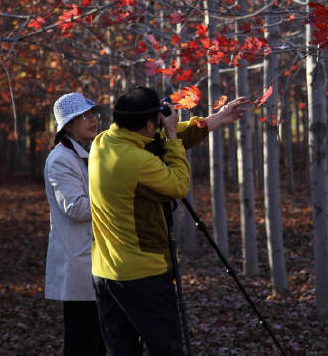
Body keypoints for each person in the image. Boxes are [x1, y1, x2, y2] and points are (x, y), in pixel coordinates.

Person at [89, 86, 250, 355]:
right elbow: (178, 185)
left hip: (106, 272)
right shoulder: (137, 161)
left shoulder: (103, 142)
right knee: (166, 347)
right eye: (157, 121)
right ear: (149, 123)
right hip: (142, 274)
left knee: (121, 350)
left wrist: (216, 119)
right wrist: (173, 134)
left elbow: (154, 142)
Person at [44, 92, 106, 356]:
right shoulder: (60, 159)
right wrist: (114, 196)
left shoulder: (88, 151)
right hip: (79, 260)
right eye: (83, 116)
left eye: (92, 114)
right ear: (68, 125)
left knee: (99, 338)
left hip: (96, 258)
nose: (91, 120)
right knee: (82, 340)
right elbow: (77, 208)